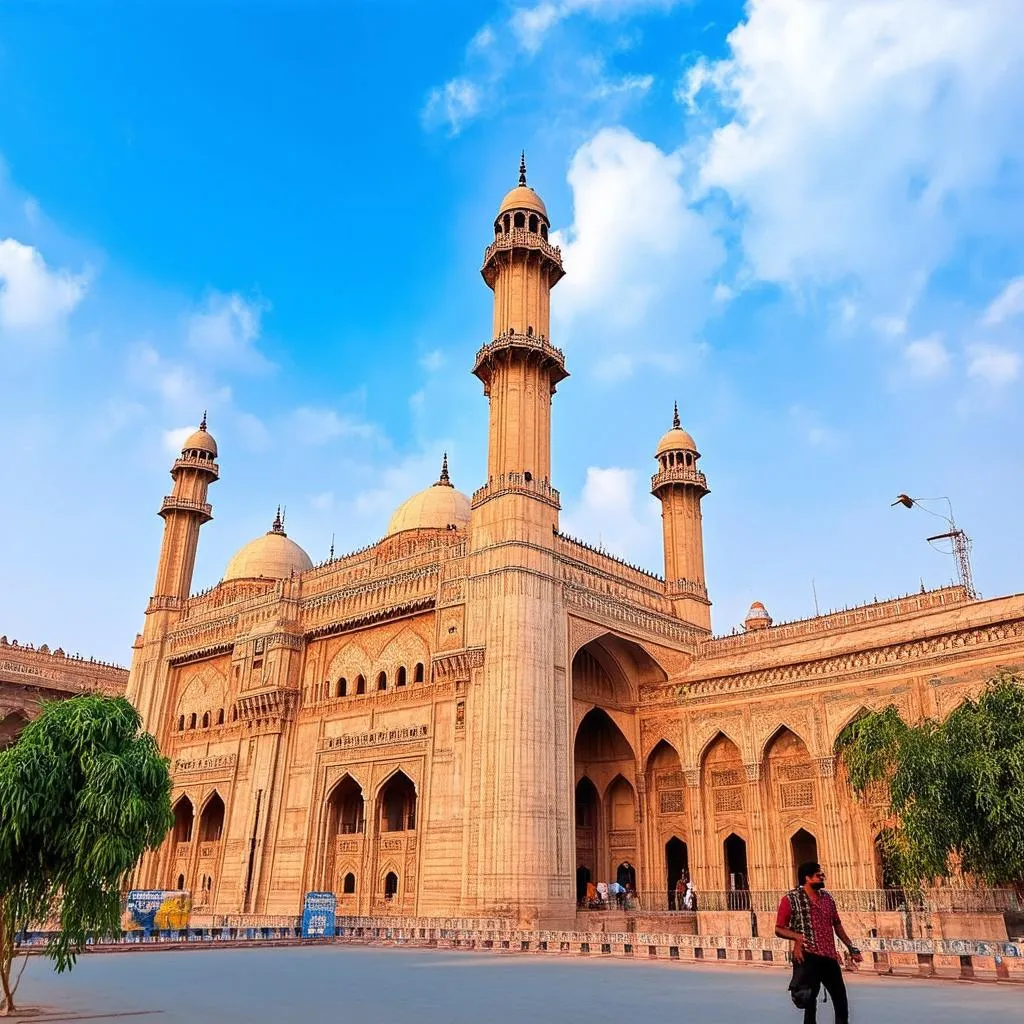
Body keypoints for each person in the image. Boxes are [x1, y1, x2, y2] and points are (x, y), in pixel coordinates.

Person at [775, 861, 863, 1024]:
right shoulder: (790, 899)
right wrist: (797, 937)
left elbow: (837, 924)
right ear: (807, 878)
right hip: (808, 956)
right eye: (818, 875)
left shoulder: (827, 898)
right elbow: (779, 929)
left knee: (841, 1002)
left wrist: (851, 947)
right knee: (809, 1003)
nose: (822, 877)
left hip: (829, 957)